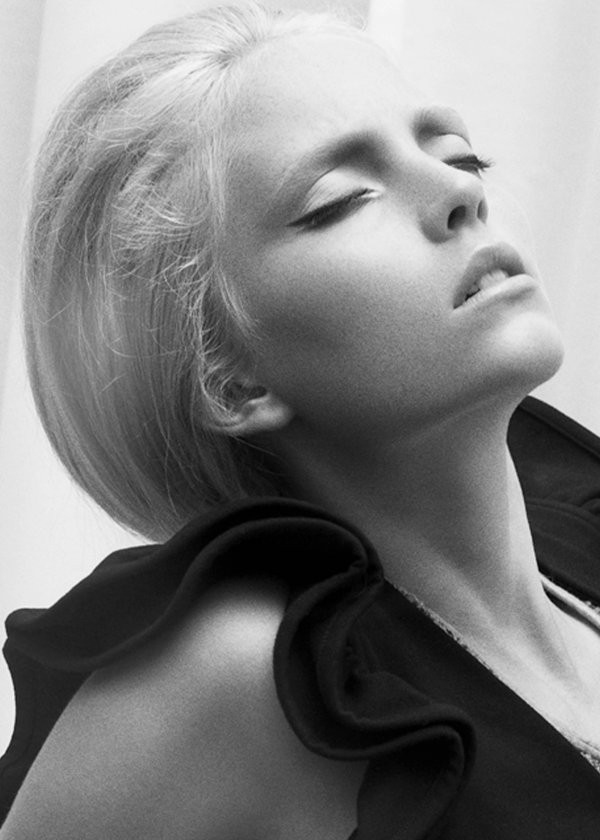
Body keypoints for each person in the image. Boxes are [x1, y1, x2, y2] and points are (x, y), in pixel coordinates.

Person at [2, 2, 600, 837]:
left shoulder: (584, 542)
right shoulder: (247, 672)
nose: (461, 192)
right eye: (343, 201)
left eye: (458, 154)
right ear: (226, 378)